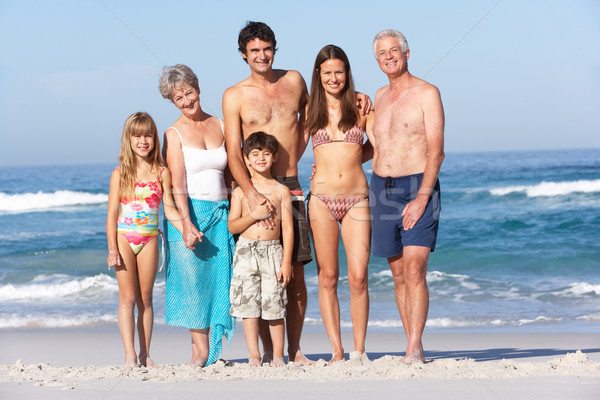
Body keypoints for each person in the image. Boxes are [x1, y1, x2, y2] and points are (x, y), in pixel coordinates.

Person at [223, 21, 371, 364]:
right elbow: (234, 151)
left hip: (292, 185)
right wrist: (250, 192)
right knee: (261, 272)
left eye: (267, 48)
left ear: (275, 48)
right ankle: (265, 352)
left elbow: (320, 111)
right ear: (243, 55)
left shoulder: (293, 80)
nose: (262, 56)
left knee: (296, 272)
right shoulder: (235, 94)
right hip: (255, 187)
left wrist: (325, 151)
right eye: (254, 51)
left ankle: (293, 349)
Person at [369, 30, 445, 364]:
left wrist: (421, 199)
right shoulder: (379, 96)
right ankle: (410, 343)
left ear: (407, 53)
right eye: (382, 53)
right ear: (377, 59)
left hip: (417, 186)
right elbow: (376, 145)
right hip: (381, 187)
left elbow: (437, 152)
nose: (388, 56)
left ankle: (415, 347)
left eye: (394, 50)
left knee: (415, 268)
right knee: (398, 273)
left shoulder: (427, 93)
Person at [158, 64, 235, 367]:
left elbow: (231, 173)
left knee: (220, 281)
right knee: (192, 283)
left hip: (221, 213)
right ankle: (199, 350)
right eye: (179, 98)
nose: (187, 101)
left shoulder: (221, 124)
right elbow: (178, 184)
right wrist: (187, 223)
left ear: (198, 88)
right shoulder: (173, 134)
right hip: (189, 213)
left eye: (189, 93)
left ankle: (213, 347)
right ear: (173, 102)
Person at [306, 45, 372, 364]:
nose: (334, 78)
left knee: (358, 276)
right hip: (321, 201)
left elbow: (377, 145)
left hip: (357, 199)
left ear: (347, 73)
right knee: (328, 276)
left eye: (339, 72)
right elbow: (287, 153)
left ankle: (359, 350)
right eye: (328, 72)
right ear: (318, 74)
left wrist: (355, 157)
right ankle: (337, 350)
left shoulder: (361, 107)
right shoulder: (307, 112)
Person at [106, 111, 183, 369]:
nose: (143, 141)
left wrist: (186, 230)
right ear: (128, 139)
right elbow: (111, 216)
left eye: (148, 135)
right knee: (127, 298)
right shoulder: (120, 173)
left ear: (154, 138)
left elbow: (170, 208)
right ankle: (129, 355)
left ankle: (145, 354)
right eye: (137, 135)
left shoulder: (162, 172)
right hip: (124, 238)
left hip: (149, 238)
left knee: (146, 299)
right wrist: (112, 249)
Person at [228, 131, 293, 367]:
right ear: (246, 159)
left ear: (275, 157)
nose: (261, 158)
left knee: (275, 304)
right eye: (255, 154)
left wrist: (286, 261)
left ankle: (277, 355)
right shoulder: (240, 192)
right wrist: (253, 215)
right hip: (245, 251)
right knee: (249, 306)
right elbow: (232, 226)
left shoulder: (281, 191)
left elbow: (288, 229)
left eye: (266, 153)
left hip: (273, 251)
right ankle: (254, 355)